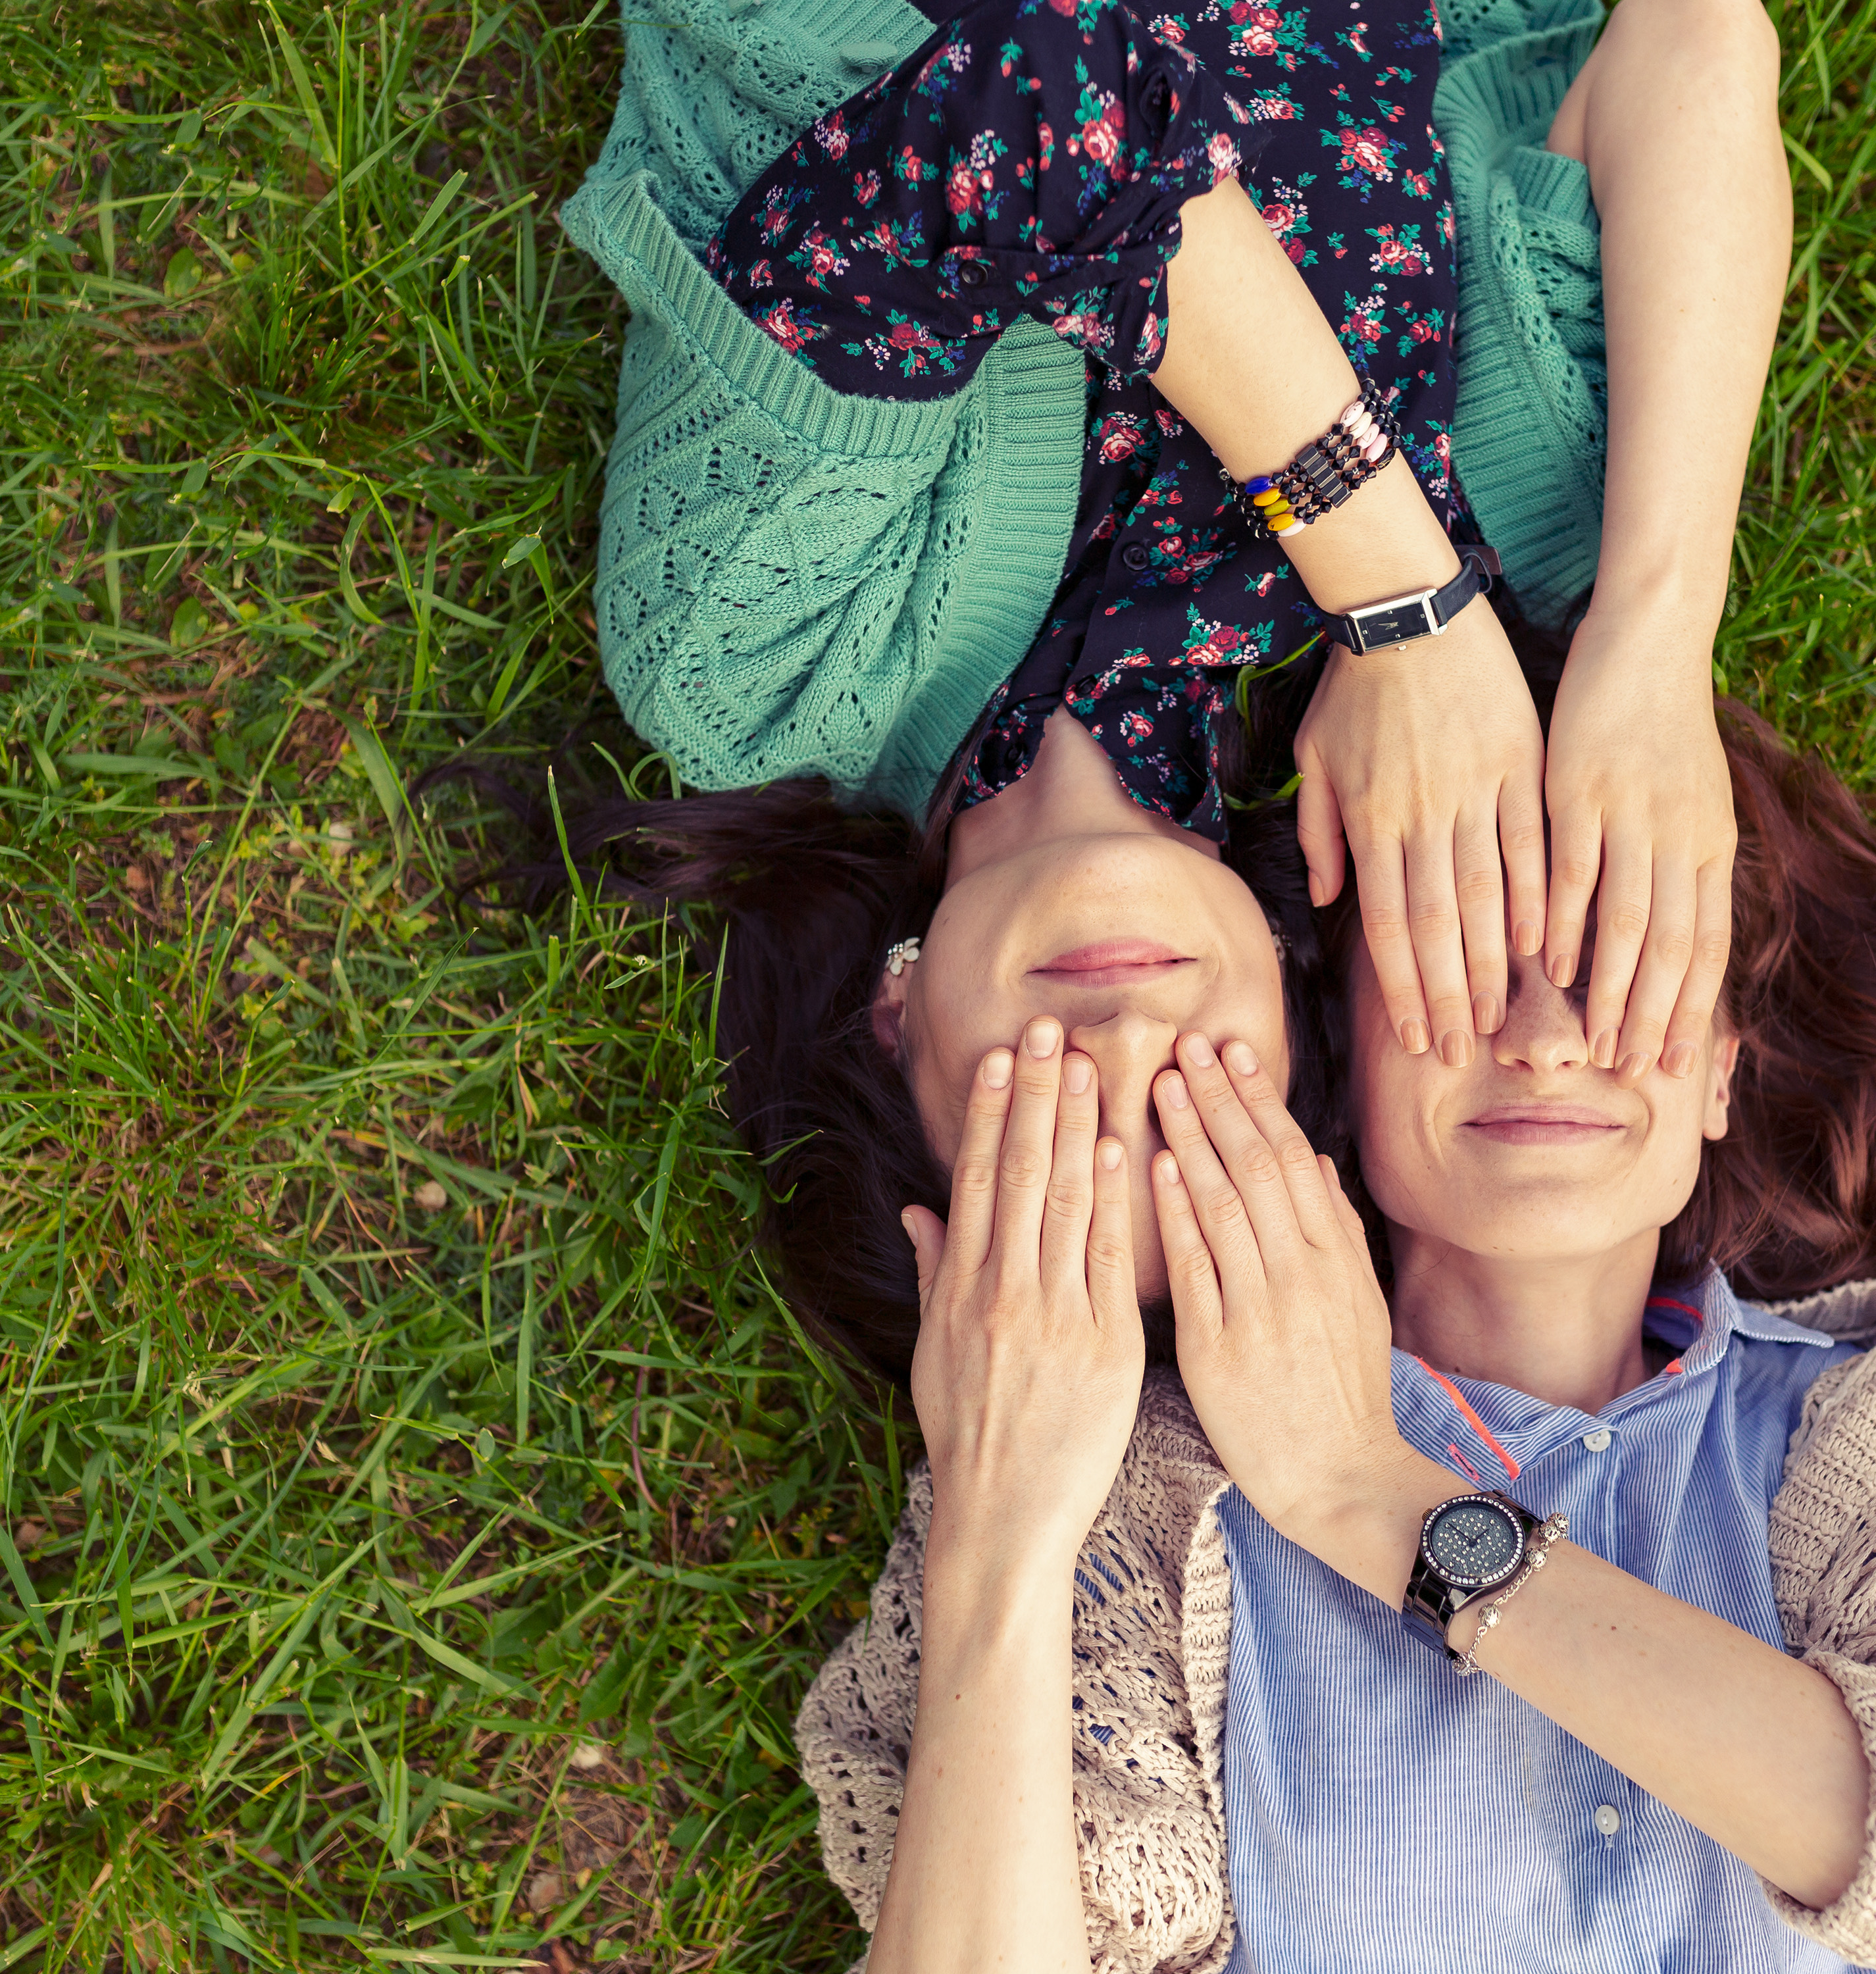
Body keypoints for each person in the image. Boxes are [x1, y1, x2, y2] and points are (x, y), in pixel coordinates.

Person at [794, 699, 1876, 1974]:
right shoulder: (1138, 1492)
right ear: (1336, 1043)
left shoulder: (1862, 1434)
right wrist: (998, 1525)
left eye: (1622, 960)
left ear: (1721, 1064)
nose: (1544, 1033)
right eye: (1459, 956)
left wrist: (1371, 1492)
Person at [534, 0, 1794, 1360]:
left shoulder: (752, 663)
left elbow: (1035, 102)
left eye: (1058, 1129)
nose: (1130, 1041)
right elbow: (1688, 44)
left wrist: (1404, 603)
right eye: (1203, 1110)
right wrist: (1654, 648)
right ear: (1312, 1064)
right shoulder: (1485, 617)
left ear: (893, 1029)